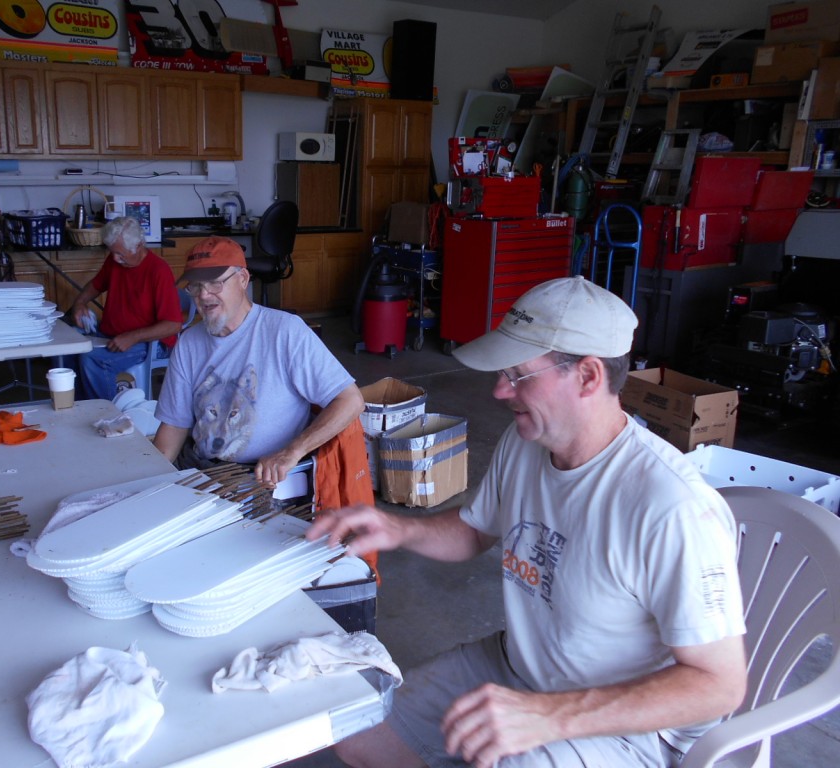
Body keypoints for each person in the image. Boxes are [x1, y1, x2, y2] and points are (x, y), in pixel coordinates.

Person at [307, 276, 748, 768]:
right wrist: (398, 528)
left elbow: (718, 685)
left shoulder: (672, 507)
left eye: (519, 375)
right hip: (518, 668)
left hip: (630, 729)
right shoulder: (526, 443)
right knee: (360, 733)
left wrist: (550, 716)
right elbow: (477, 531)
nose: (499, 390)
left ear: (587, 377)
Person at [152, 236, 365, 489]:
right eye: (195, 286)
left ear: (243, 280)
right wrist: (151, 482)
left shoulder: (285, 331)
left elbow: (351, 400)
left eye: (214, 283)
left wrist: (291, 452)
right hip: (203, 468)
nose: (204, 295)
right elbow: (174, 428)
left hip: (267, 478)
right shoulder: (189, 343)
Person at [70, 216, 182, 400]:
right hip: (112, 333)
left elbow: (173, 325)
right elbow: (96, 285)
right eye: (112, 252)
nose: (115, 258)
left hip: (150, 342)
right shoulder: (115, 260)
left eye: (121, 254)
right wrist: (80, 303)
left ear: (139, 246)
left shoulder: (158, 271)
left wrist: (132, 336)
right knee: (67, 347)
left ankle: (106, 416)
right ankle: (81, 407)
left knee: (93, 360)